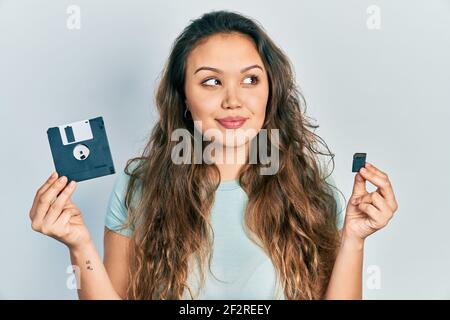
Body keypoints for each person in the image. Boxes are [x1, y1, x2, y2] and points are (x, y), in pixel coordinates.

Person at [29, 10, 398, 300]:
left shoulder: (310, 186)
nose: (233, 100)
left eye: (251, 79)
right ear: (184, 98)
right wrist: (78, 245)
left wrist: (354, 238)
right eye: (211, 81)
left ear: (271, 90)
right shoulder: (138, 186)